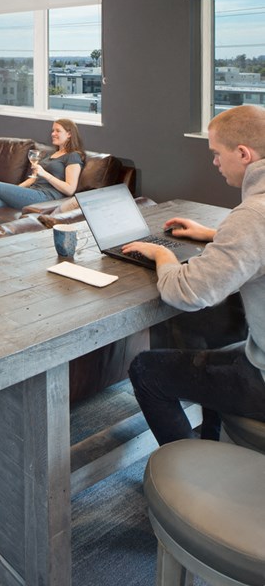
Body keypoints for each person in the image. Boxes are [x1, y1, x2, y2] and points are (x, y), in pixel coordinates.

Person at [124, 104, 265, 445]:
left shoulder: (252, 216)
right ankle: (212, 443)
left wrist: (162, 253)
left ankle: (188, 465)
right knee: (217, 346)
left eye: (217, 153)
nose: (215, 162)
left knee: (145, 370)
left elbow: (185, 293)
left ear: (243, 154)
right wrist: (216, 235)